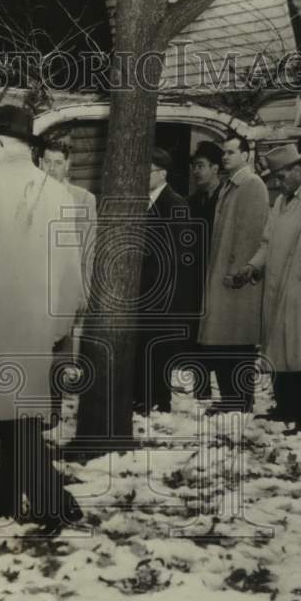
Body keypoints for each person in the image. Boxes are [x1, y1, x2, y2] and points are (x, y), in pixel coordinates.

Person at [0, 105, 83, 531]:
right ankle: (7, 499)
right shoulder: (57, 189)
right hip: (39, 317)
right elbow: (70, 265)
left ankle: (54, 501)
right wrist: (61, 319)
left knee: (11, 412)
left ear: (4, 144)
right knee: (20, 406)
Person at [232, 141, 301, 434]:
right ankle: (285, 407)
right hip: (277, 288)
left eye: (281, 177)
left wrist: (300, 278)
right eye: (275, 179)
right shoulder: (281, 202)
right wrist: (254, 266)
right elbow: (267, 242)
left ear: (297, 170)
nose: (277, 184)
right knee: (279, 349)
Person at [199, 136, 269, 413]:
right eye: (223, 153)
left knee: (237, 341)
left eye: (231, 152)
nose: (225, 157)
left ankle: (239, 399)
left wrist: (237, 272)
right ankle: (231, 397)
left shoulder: (252, 186)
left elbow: (252, 235)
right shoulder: (231, 185)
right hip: (222, 275)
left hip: (237, 280)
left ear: (246, 155)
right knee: (221, 340)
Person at [133, 147, 195, 414]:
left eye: (148, 171)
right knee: (142, 345)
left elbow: (175, 253)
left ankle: (159, 400)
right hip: (143, 290)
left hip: (162, 291)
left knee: (158, 348)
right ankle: (143, 396)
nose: (143, 176)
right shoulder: (143, 201)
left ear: (162, 173)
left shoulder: (175, 204)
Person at [38, 138, 96, 411]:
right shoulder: (30, 193)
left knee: (61, 345)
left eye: (58, 163)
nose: (51, 168)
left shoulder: (82, 198)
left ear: (68, 165)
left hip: (65, 284)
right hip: (35, 283)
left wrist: (84, 288)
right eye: (47, 162)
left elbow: (88, 246)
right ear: (39, 162)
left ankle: (53, 408)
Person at [185, 140, 224, 399]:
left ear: (215, 168)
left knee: (220, 332)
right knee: (195, 330)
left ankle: (228, 390)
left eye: (201, 166)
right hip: (196, 277)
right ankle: (202, 390)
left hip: (220, 277)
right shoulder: (191, 202)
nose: (196, 172)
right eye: (193, 166)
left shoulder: (226, 200)